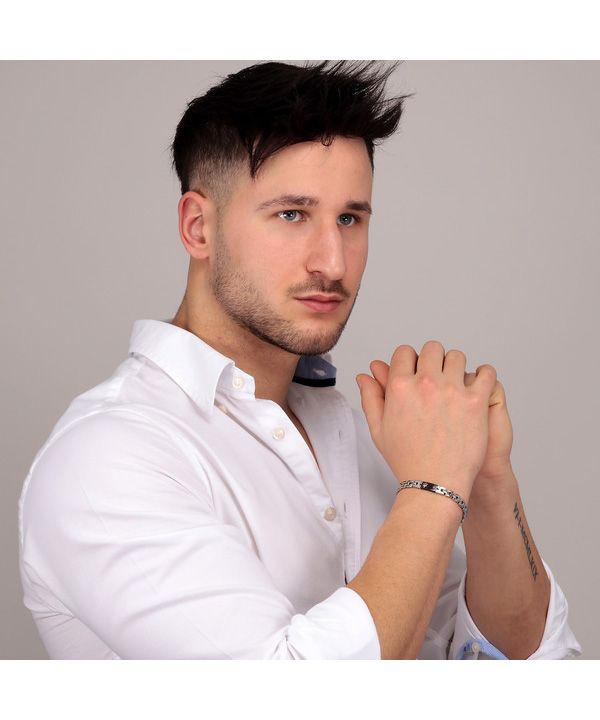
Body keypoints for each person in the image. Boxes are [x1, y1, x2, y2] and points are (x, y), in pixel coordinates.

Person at [18, 60, 581, 660]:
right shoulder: (107, 458)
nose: (332, 263)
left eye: (350, 218)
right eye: (292, 215)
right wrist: (435, 488)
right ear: (198, 227)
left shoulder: (357, 437)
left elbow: (526, 667)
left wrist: (485, 479)